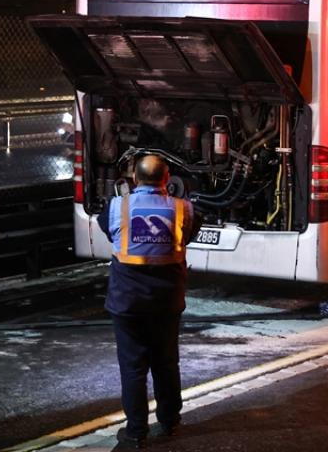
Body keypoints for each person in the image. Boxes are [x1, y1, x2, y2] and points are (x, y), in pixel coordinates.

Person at [98, 154, 198, 449]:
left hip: (127, 303)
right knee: (166, 363)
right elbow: (187, 237)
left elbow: (109, 231)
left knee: (133, 368)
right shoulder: (184, 210)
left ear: (134, 179)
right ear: (167, 180)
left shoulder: (118, 207)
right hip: (166, 302)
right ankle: (169, 422)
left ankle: (136, 431)